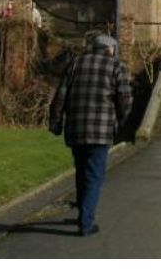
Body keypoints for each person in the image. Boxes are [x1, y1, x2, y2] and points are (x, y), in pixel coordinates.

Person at [49, 34, 133, 237]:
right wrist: (122, 120)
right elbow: (124, 98)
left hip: (76, 129)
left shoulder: (75, 64)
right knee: (95, 175)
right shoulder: (115, 66)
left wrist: (56, 122)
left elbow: (60, 96)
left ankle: (82, 212)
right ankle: (86, 223)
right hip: (101, 131)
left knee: (81, 171)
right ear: (109, 49)